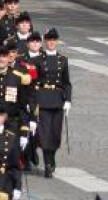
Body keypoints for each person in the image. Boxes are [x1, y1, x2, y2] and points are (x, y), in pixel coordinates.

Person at [32, 28, 71, 179]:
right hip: (43, 98)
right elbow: (33, 83)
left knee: (55, 133)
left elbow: (67, 83)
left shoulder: (63, 60)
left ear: (57, 41)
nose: (51, 42)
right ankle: (48, 163)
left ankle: (52, 157)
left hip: (58, 99)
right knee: (44, 133)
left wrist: (68, 100)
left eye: (53, 40)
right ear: (45, 41)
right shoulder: (37, 60)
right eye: (48, 40)